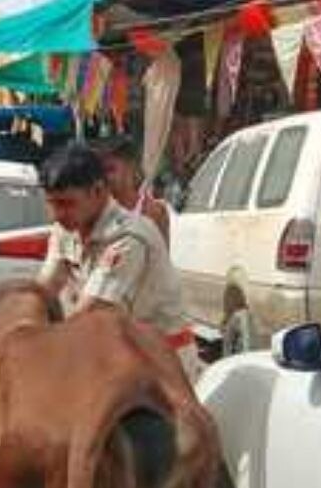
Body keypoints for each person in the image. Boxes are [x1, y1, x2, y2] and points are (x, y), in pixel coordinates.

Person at [38, 143, 200, 382]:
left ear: (98, 191)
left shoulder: (130, 236)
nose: (57, 215)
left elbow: (91, 312)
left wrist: (38, 345)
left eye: (66, 203)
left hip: (161, 361)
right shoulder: (66, 229)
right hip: (111, 352)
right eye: (52, 204)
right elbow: (46, 287)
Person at [94, 134, 172, 244]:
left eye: (111, 169)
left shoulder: (154, 211)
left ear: (130, 168)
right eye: (101, 171)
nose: (105, 177)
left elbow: (162, 258)